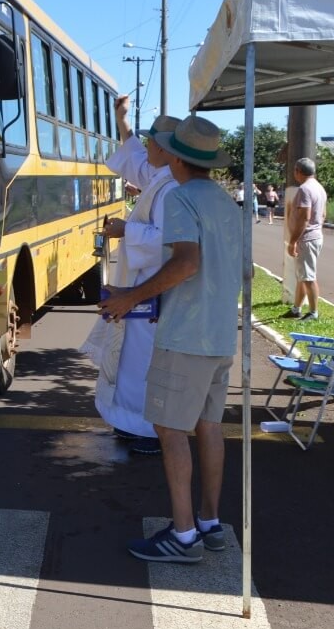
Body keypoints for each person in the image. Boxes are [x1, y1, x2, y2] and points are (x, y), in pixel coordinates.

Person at [99, 115, 242, 564]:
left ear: (176, 157)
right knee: (209, 427)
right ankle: (208, 520)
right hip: (220, 334)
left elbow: (186, 263)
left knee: (171, 431)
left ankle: (182, 536)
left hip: (185, 334)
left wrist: (130, 297)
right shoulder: (227, 202)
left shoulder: (181, 198)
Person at [84, 96, 180, 456]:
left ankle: (145, 430)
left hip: (152, 290)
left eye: (153, 141)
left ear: (169, 150)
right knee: (131, 361)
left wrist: (128, 231)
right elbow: (135, 157)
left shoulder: (171, 188)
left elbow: (171, 243)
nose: (148, 146)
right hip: (141, 288)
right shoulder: (162, 176)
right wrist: (121, 119)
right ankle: (130, 424)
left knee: (141, 363)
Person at [284, 157, 327, 321]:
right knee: (302, 275)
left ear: (298, 171)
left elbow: (304, 217)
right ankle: (296, 308)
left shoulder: (304, 189)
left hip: (306, 238)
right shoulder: (319, 188)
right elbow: (323, 214)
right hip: (314, 236)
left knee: (308, 277)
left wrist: (294, 241)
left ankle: (313, 312)